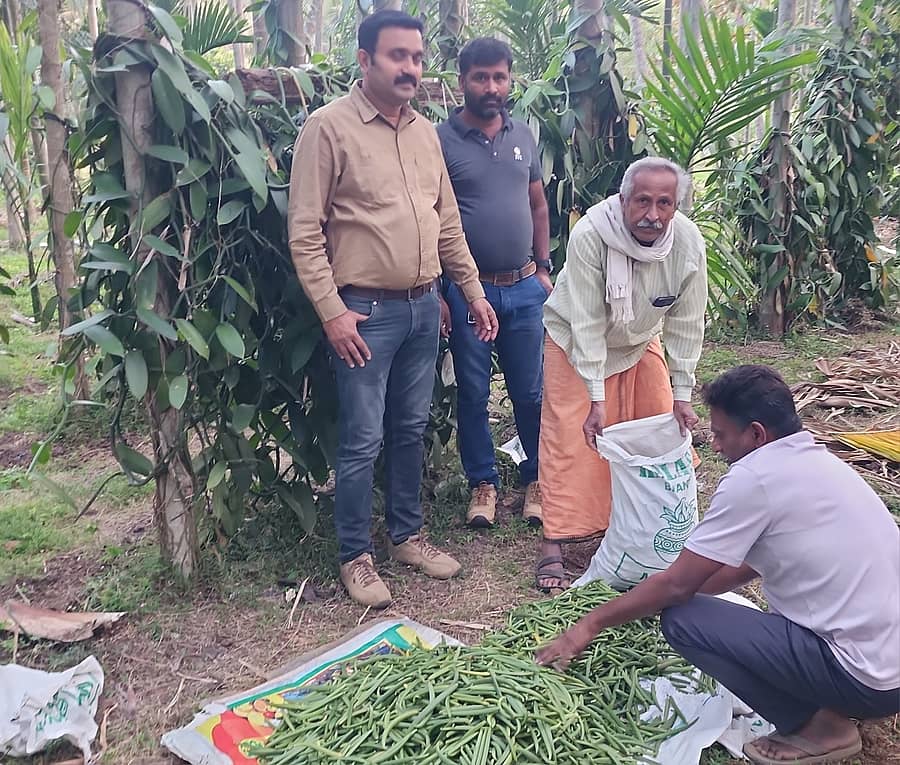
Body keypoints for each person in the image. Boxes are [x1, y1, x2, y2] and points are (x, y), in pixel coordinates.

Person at [536, 365, 900, 765]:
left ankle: (821, 727)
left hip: (865, 680)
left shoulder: (755, 478)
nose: (714, 445)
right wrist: (655, 596)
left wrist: (589, 624)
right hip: (887, 665)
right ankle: (829, 702)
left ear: (757, 434)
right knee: (684, 603)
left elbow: (678, 587)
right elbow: (744, 567)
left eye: (722, 434)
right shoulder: (819, 463)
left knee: (685, 621)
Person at [287, 10, 499, 609]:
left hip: (423, 308)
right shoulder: (328, 130)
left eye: (416, 57)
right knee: (361, 439)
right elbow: (304, 231)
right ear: (365, 60)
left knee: (409, 428)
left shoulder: (426, 133)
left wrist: (473, 293)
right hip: (364, 314)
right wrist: (331, 311)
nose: (411, 68)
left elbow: (448, 224)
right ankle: (355, 554)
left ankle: (407, 535)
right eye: (397, 56)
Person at [535, 157, 707, 591]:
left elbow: (687, 322)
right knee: (570, 438)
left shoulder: (687, 243)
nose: (653, 214)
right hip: (575, 339)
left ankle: (642, 526)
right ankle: (555, 541)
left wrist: (682, 393)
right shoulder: (592, 234)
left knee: (659, 422)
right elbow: (588, 321)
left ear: (676, 205)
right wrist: (596, 396)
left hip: (637, 339)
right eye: (643, 201)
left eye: (664, 203)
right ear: (624, 199)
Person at [435, 37, 551, 529]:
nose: (491, 86)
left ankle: (537, 480)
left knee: (531, 392)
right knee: (474, 394)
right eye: (480, 77)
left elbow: (538, 204)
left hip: (525, 287)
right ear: (462, 81)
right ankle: (483, 483)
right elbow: (431, 218)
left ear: (510, 80)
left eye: (500, 76)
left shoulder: (524, 133)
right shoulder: (439, 140)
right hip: (467, 292)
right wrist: (443, 291)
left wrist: (544, 269)